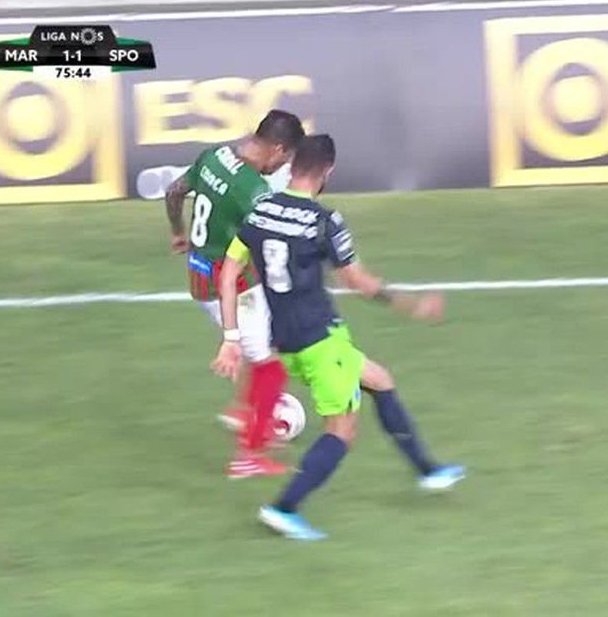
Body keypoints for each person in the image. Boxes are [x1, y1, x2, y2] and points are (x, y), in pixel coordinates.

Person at [212, 134, 466, 541]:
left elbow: (227, 272)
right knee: (341, 431)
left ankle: (427, 470)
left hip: (285, 340)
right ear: (327, 171)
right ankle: (283, 509)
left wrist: (230, 336)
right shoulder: (322, 221)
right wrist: (414, 305)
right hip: (320, 341)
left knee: (379, 380)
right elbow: (358, 282)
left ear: (292, 166)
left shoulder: (260, 213)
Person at [163, 109, 305, 479]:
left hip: (199, 277)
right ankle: (249, 455)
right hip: (230, 286)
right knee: (271, 369)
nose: (282, 167)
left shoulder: (214, 156)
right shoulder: (254, 192)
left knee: (260, 348)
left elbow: (174, 191)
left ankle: (243, 412)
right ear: (278, 149)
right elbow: (271, 247)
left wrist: (177, 232)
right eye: (286, 159)